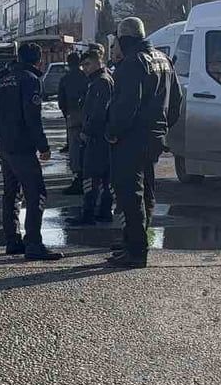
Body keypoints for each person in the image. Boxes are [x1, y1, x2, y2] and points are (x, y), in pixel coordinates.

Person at [105, 17, 183, 268]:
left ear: (124, 38)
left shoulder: (132, 63)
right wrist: (162, 128)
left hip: (132, 137)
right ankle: (134, 243)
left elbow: (126, 105)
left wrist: (113, 131)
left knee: (130, 193)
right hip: (154, 137)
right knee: (146, 190)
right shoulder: (163, 59)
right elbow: (176, 102)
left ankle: (136, 250)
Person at [0, 42, 61, 261]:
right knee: (36, 193)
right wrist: (43, 145)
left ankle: (12, 240)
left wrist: (0, 143)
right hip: (22, 146)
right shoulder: (30, 80)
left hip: (6, 146)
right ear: (38, 59)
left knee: (11, 193)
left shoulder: (3, 78)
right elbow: (32, 117)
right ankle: (34, 243)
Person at [68, 45, 114, 225]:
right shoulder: (99, 80)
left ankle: (89, 213)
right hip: (101, 137)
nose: (84, 69)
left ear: (97, 63)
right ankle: (102, 211)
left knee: (91, 176)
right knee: (103, 177)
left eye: (87, 65)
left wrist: (86, 132)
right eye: (83, 65)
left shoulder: (101, 82)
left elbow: (98, 112)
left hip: (97, 138)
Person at [57, 51, 89, 195]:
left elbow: (61, 101)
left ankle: (78, 179)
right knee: (87, 148)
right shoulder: (87, 76)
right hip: (87, 115)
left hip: (73, 115)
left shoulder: (65, 79)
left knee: (75, 150)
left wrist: (67, 115)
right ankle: (89, 178)